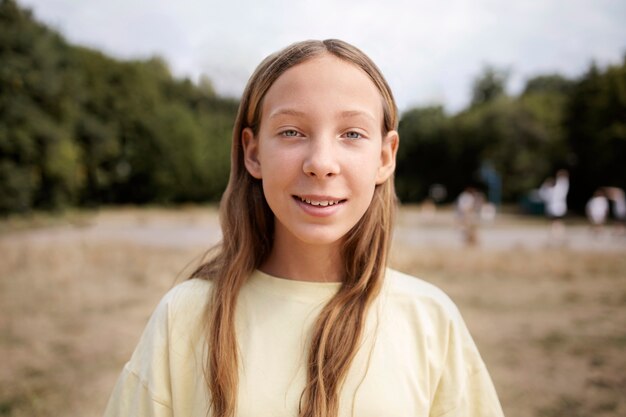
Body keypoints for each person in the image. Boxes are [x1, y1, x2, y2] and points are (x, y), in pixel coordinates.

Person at [103, 39, 504, 417]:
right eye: (292, 132)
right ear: (253, 151)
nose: (321, 162)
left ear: (385, 156)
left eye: (351, 134)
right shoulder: (184, 317)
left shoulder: (431, 320)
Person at [539, 169, 569, 241]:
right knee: (556, 222)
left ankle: (556, 236)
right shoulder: (557, 189)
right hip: (556, 208)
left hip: (555, 208)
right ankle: (557, 235)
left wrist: (545, 185)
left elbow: (542, 194)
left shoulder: (557, 189)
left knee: (555, 222)